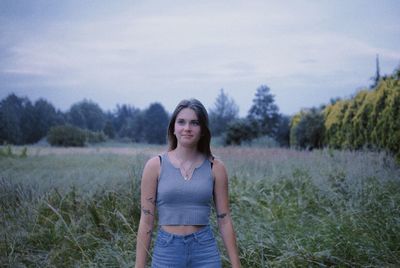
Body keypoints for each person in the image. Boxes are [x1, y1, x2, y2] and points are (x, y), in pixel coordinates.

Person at [135, 99, 241, 268]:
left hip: (204, 251)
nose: (187, 128)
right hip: (167, 251)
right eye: (181, 122)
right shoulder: (155, 166)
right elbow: (146, 220)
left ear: (203, 130)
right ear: (173, 128)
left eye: (194, 123)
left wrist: (237, 265)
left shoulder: (216, 168)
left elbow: (225, 219)